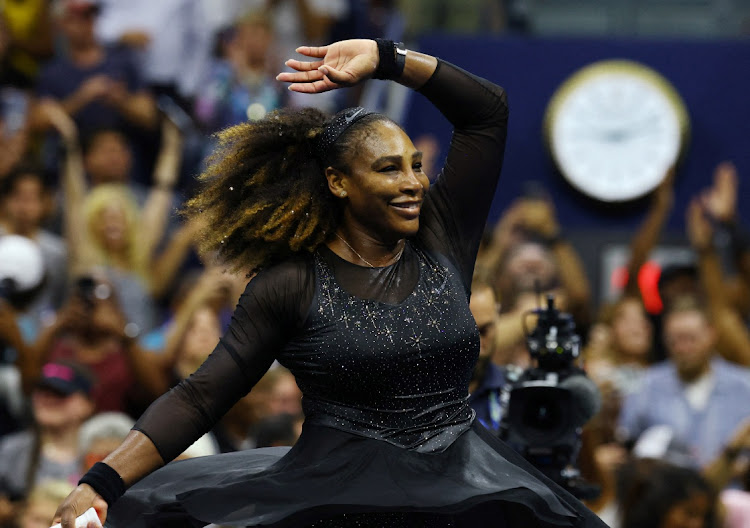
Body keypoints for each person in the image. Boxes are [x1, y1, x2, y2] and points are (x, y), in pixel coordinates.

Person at [53, 38, 606, 527]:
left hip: (466, 490)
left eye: (415, 165)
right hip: (337, 502)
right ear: (338, 182)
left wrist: (387, 60)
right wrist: (99, 482)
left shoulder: (441, 236)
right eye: (389, 168)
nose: (414, 182)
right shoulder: (289, 285)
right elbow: (201, 396)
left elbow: (488, 110)